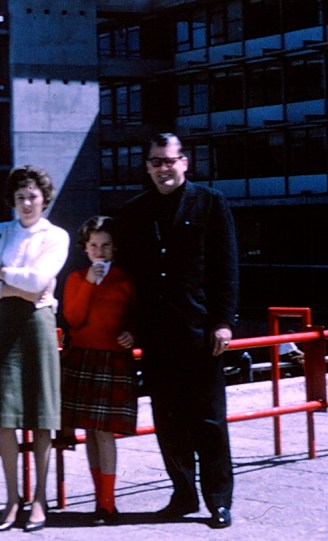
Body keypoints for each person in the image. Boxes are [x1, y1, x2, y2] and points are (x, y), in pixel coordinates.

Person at [116, 133, 239, 529]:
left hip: (200, 332)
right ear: (147, 166)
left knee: (209, 421)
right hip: (156, 335)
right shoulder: (134, 212)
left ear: (185, 162)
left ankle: (218, 500)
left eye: (169, 161)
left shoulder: (211, 203)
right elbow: (129, 277)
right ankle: (183, 494)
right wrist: (130, 326)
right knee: (168, 421)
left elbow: (226, 267)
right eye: (155, 162)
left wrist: (223, 321)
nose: (163, 169)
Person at [0, 165, 69, 533]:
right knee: (7, 417)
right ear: (12, 200)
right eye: (20, 197)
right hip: (4, 325)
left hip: (39, 324)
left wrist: (1, 273)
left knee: (42, 415)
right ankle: (12, 499)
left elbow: (41, 281)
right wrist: (14, 286)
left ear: (44, 198)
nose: (27, 203)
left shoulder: (55, 236)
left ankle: (40, 499)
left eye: (33, 196)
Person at [61, 215, 138, 526]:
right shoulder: (76, 278)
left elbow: (137, 316)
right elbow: (72, 318)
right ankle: (99, 500)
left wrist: (134, 333)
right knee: (90, 431)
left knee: (105, 432)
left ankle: (108, 503)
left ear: (114, 248)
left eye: (106, 246)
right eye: (94, 246)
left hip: (113, 358)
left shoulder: (126, 279)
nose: (100, 251)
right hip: (82, 356)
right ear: (85, 248)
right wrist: (89, 284)